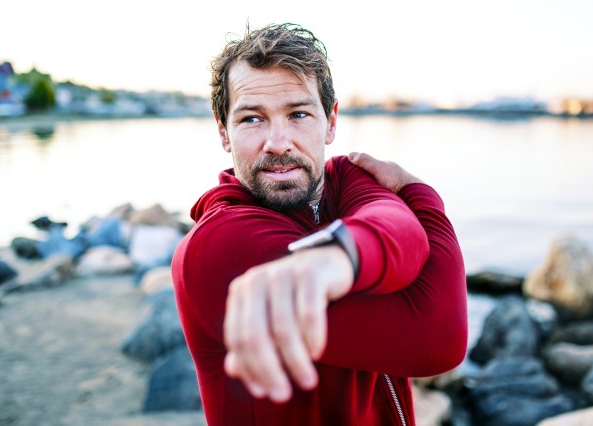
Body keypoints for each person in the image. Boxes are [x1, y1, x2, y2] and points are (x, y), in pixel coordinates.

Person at [171, 23, 467, 425]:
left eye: (298, 114)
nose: (278, 142)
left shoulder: (346, 177)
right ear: (224, 132)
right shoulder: (219, 245)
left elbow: (397, 223)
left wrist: (340, 255)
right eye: (251, 120)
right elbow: (438, 342)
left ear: (330, 122)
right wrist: (420, 195)